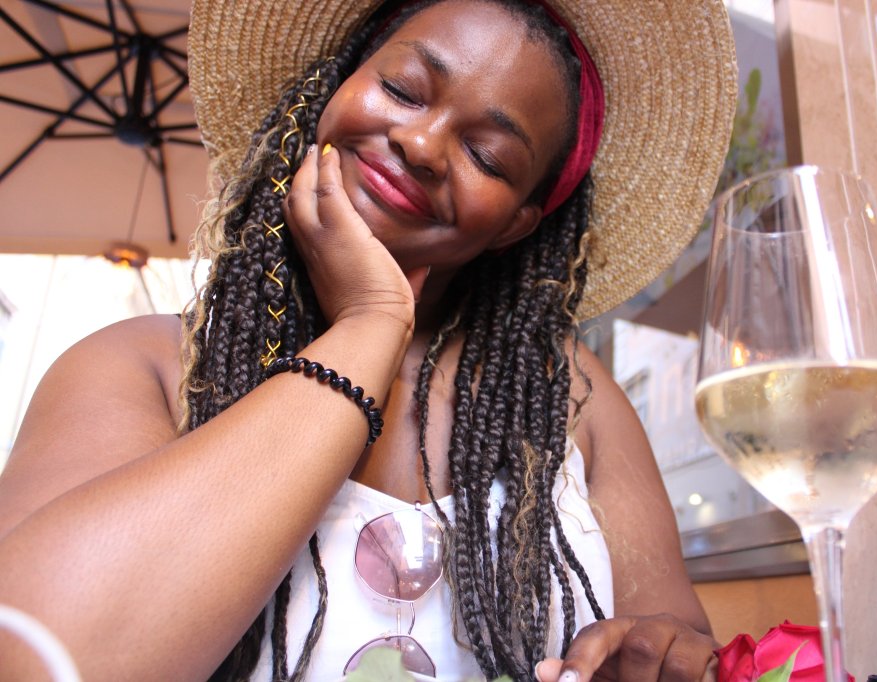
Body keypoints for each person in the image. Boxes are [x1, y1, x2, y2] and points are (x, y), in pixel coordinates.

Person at [0, 0, 737, 680]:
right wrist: (370, 324)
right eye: (403, 90)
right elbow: (34, 655)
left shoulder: (574, 402)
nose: (421, 143)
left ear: (516, 223)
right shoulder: (144, 367)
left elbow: (677, 641)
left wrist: (658, 653)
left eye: (487, 156)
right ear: (337, 85)